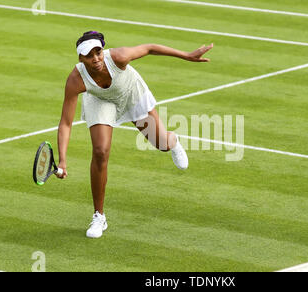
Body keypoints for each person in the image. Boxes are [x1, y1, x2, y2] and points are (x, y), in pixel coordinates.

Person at [56, 31, 213, 238]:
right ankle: (99, 216)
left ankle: (173, 141)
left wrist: (187, 55)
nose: (95, 59)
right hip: (101, 101)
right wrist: (63, 160)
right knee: (100, 151)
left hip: (131, 92)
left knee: (162, 143)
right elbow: (66, 123)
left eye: (98, 52)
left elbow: (149, 48)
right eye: (89, 55)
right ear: (80, 59)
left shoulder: (119, 57)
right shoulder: (75, 80)